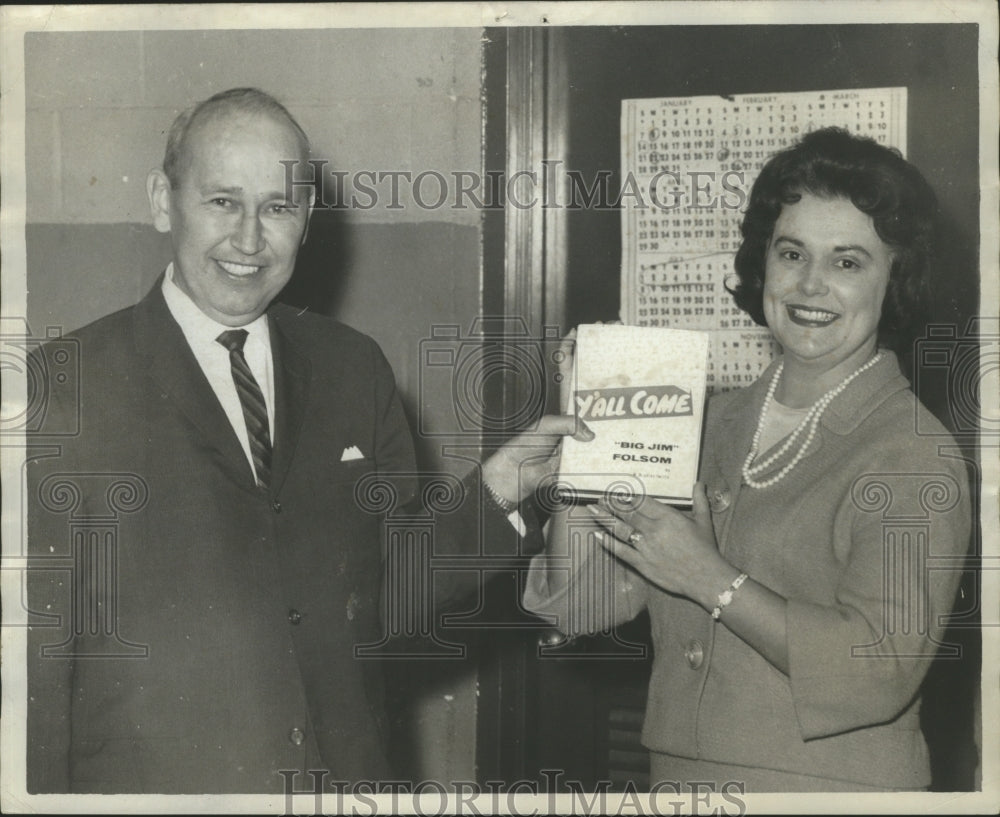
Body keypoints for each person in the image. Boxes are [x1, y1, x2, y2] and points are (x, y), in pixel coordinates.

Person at [25, 87, 581, 794]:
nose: (250, 239)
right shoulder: (58, 390)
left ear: (308, 219)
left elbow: (385, 597)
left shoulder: (352, 367)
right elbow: (31, 677)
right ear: (163, 201)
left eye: (278, 207)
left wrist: (500, 488)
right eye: (223, 201)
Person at [524, 128, 972, 792]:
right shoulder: (711, 420)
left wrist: (711, 578)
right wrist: (582, 456)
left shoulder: (914, 452)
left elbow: (880, 668)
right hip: (677, 781)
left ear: (894, 278)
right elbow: (582, 605)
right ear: (764, 262)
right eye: (792, 253)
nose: (810, 284)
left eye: (848, 262)